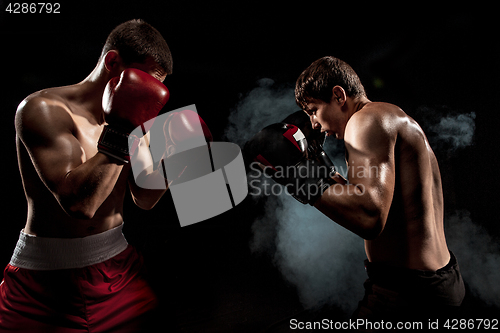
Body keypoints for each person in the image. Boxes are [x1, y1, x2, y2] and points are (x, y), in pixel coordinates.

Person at [1, 19, 174, 332]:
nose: (148, 94)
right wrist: (122, 131)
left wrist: (177, 157)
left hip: (119, 271)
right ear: (112, 61)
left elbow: (145, 198)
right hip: (43, 285)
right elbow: (81, 205)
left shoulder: (139, 118)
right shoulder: (43, 109)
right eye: (142, 80)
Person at [295, 56, 466, 320]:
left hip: (408, 293)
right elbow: (370, 198)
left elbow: (369, 217)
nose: (315, 123)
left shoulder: (365, 120)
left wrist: (300, 180)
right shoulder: (393, 117)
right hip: (439, 281)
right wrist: (322, 171)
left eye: (313, 110)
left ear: (339, 96)